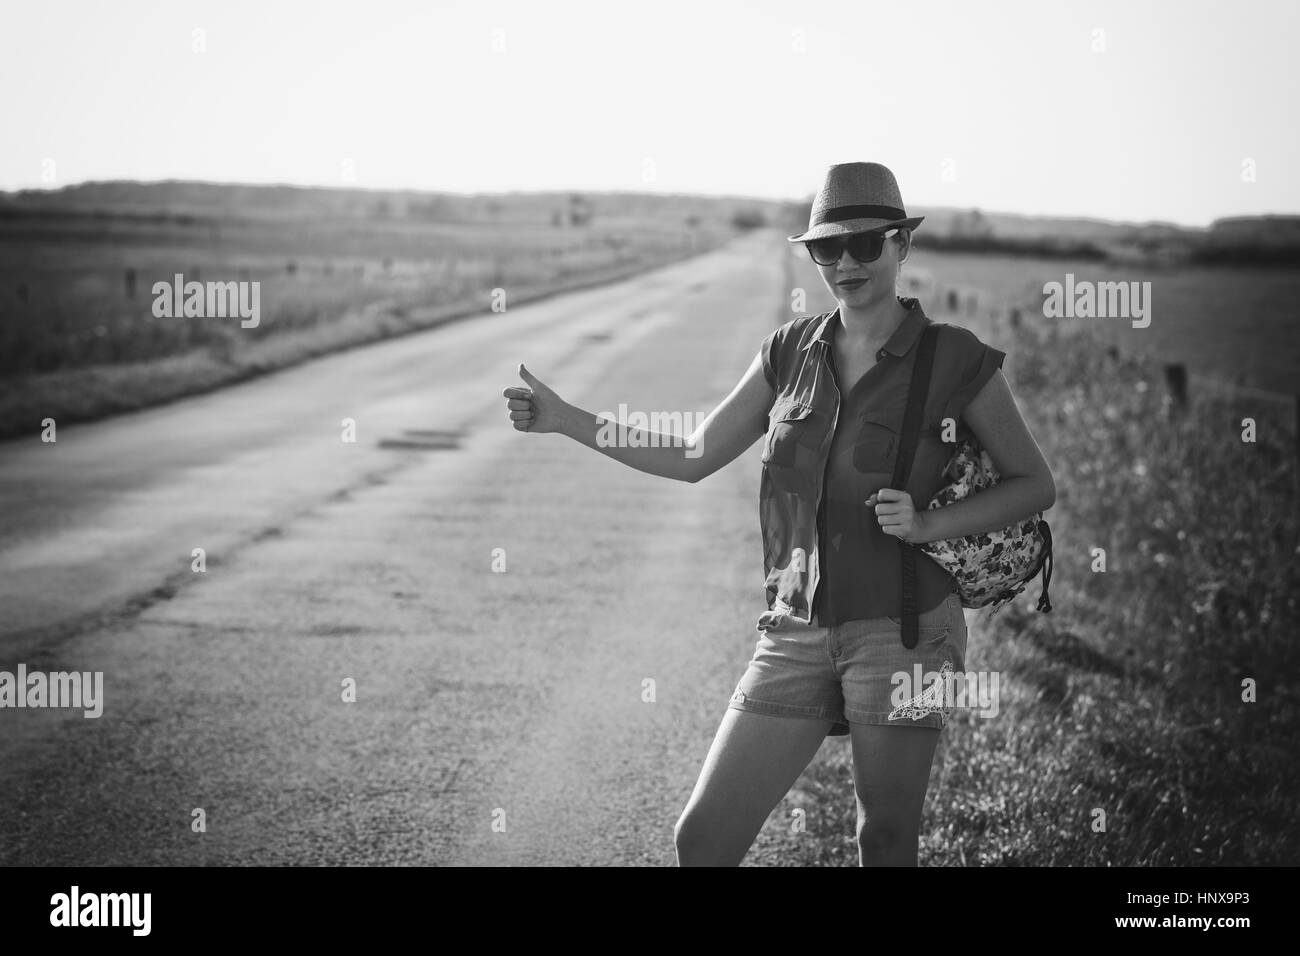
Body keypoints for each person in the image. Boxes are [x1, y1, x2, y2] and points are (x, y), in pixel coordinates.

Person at [500, 162, 1056, 866]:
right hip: (795, 629)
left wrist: (928, 524)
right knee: (702, 840)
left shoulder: (955, 357)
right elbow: (695, 453)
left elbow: (1035, 484)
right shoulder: (791, 351)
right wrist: (566, 419)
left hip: (906, 632)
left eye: (864, 244)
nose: (845, 263)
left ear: (901, 245)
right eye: (828, 248)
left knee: (883, 840)